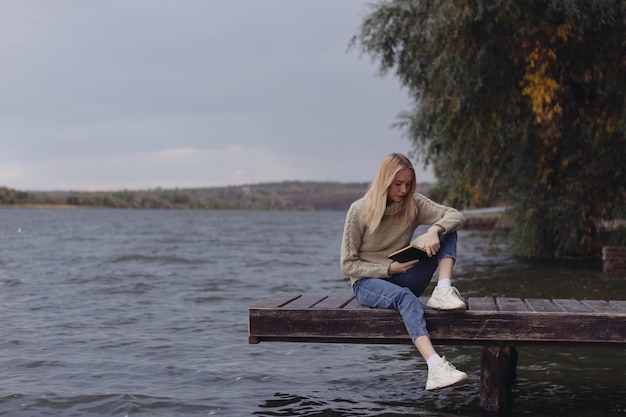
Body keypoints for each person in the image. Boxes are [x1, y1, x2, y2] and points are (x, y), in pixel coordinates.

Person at [340, 153, 469, 390]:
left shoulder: (414, 203)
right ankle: (435, 367)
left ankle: (442, 290)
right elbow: (348, 264)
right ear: (384, 181)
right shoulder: (358, 210)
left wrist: (434, 230)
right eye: (398, 184)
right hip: (367, 283)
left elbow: (456, 215)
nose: (403, 190)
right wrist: (389, 268)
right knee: (406, 298)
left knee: (447, 231)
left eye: (408, 184)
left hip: (404, 275)